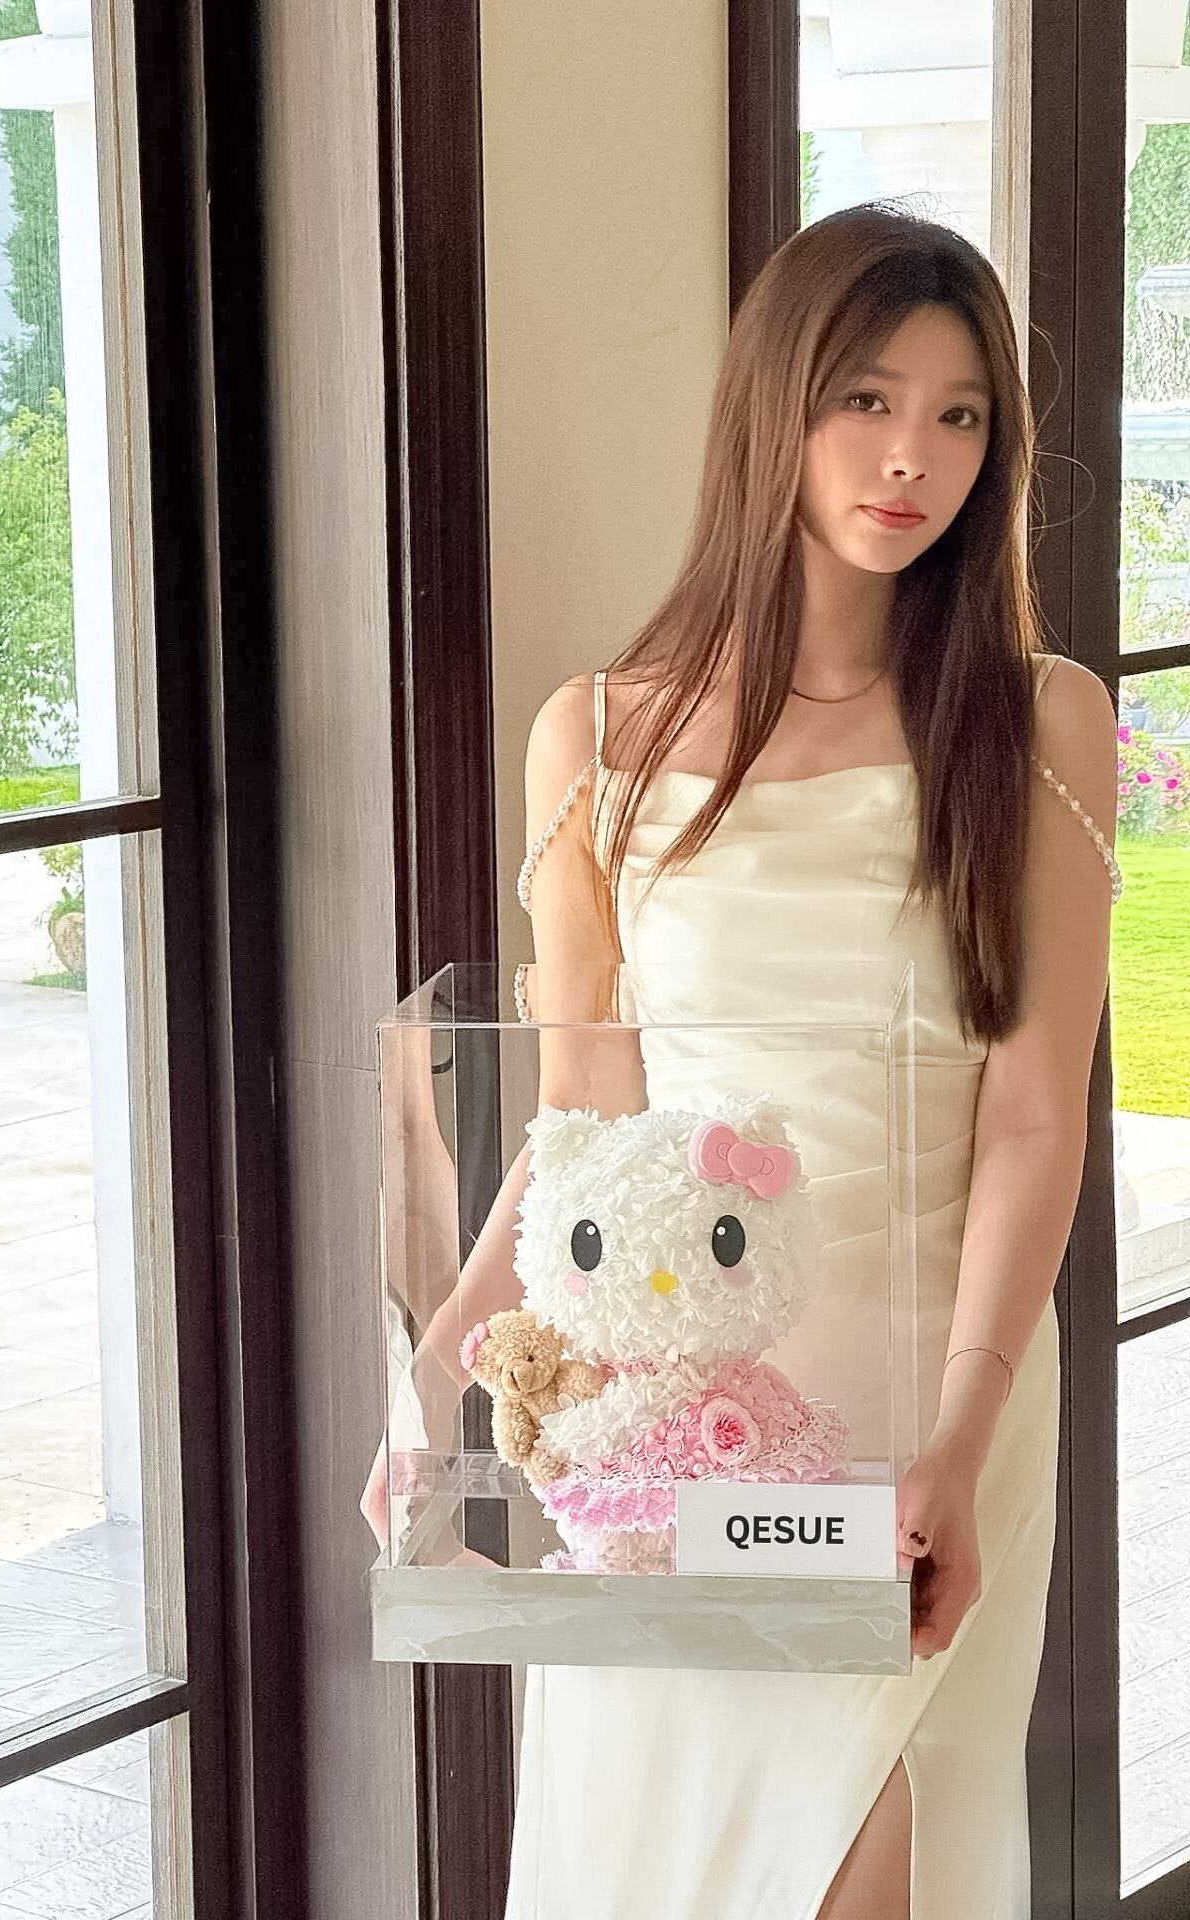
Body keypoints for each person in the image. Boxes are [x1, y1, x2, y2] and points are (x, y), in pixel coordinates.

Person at [363, 202, 1121, 1918]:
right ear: (774, 404)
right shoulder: (598, 734)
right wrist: (438, 1382)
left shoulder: (1037, 722)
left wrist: (960, 1435)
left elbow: (1032, 1115)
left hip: (932, 1390)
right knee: (684, 1854)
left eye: (959, 414)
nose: (911, 456)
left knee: (869, 1862)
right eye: (866, 399)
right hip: (668, 1409)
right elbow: (585, 1124)